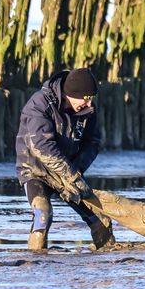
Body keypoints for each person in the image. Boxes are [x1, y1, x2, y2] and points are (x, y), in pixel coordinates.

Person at [14, 67, 114, 251]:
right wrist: (71, 176)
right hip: (36, 170)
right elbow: (42, 148)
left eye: (91, 99)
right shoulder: (39, 105)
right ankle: (35, 261)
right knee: (43, 213)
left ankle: (106, 255)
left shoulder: (87, 110)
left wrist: (76, 170)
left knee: (99, 218)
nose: (89, 105)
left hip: (69, 170)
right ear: (71, 94)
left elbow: (93, 142)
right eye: (85, 99)